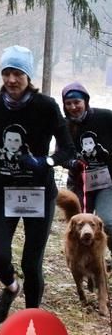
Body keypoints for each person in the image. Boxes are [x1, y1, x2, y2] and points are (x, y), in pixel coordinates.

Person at [0, 45, 73, 323]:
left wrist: (45, 163)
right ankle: (10, 287)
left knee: (31, 262)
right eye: (6, 73)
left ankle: (31, 321)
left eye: (18, 73)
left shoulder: (46, 107)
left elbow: (68, 150)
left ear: (28, 76)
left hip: (38, 193)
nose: (11, 80)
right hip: (3, 191)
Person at [60, 82, 112, 255]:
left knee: (108, 222)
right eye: (69, 104)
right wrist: (72, 163)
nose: (73, 107)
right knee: (81, 227)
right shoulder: (64, 125)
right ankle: (88, 265)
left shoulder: (105, 117)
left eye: (77, 102)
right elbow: (60, 155)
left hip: (107, 182)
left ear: (85, 101)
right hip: (79, 182)